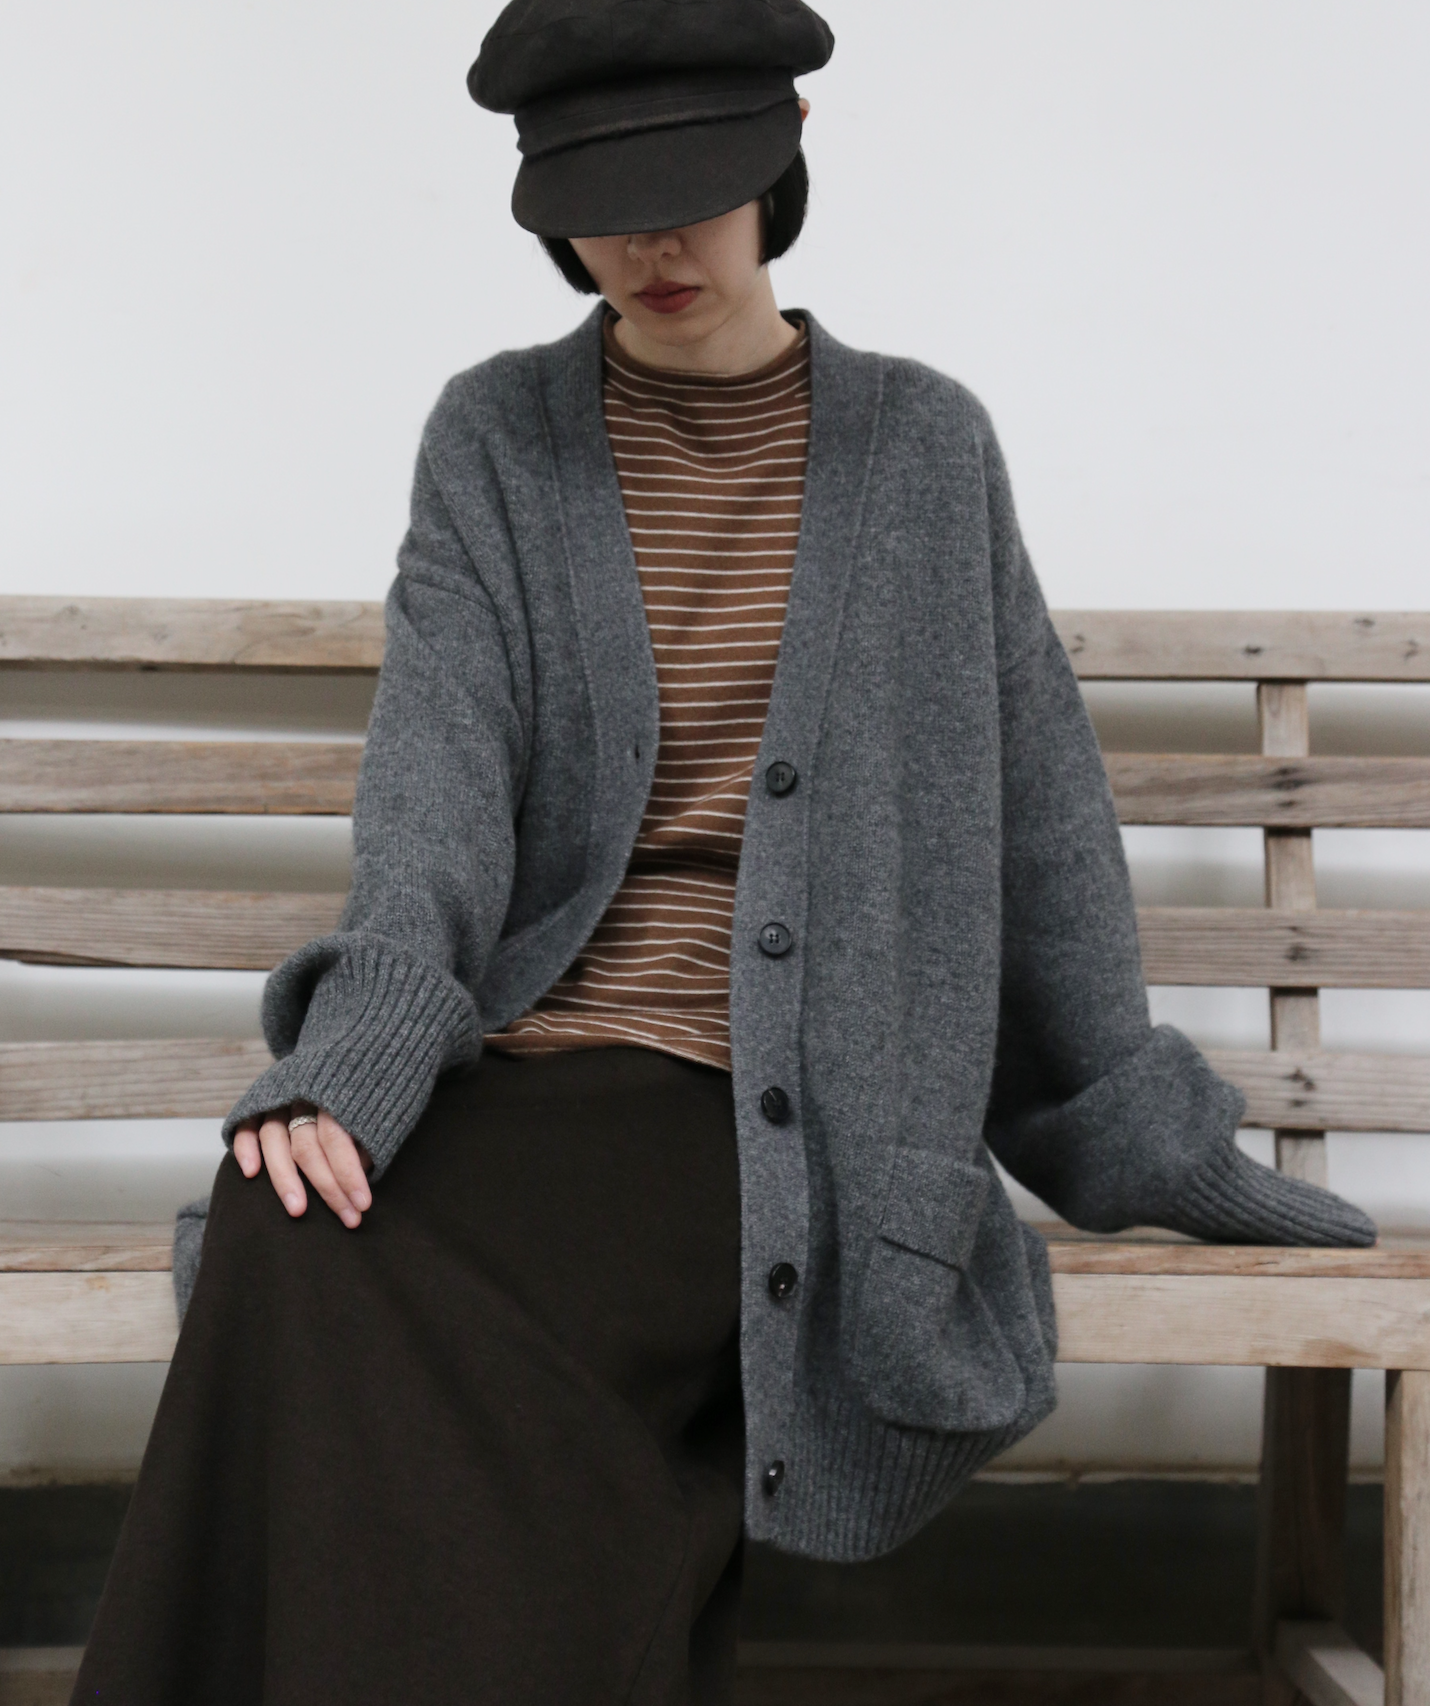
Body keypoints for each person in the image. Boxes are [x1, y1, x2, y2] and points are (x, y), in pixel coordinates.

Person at [72, 2, 1376, 1702]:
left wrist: (1150, 1143)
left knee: (409, 1315)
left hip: (786, 1109)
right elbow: (432, 792)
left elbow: (1039, 824)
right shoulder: (495, 437)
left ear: (784, 158)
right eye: (602, 205)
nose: (651, 246)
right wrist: (353, 1066)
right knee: (284, 1219)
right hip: (535, 1072)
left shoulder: (922, 447)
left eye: (689, 189)